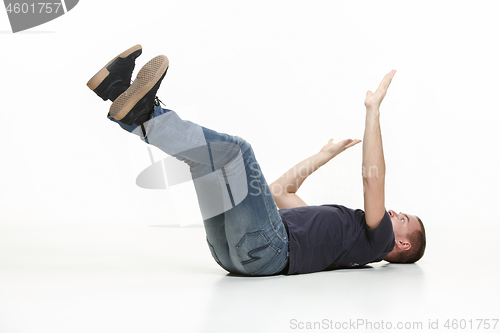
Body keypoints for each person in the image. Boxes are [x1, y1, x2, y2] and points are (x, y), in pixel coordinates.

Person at [87, 45, 426, 276]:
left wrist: (373, 112)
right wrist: (324, 156)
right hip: (239, 253)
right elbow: (280, 190)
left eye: (403, 218)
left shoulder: (377, 241)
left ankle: (140, 114)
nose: (394, 212)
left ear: (402, 242)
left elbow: (373, 179)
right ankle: (120, 94)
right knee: (206, 163)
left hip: (268, 250)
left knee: (237, 152)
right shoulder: (341, 238)